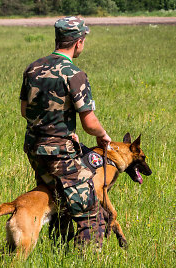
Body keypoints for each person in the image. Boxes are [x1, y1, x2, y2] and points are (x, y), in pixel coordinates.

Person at [19, 16, 112, 247]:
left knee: (58, 202)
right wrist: (102, 135)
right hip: (60, 154)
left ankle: (57, 250)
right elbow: (89, 123)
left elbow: (25, 111)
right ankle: (88, 258)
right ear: (79, 42)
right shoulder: (74, 74)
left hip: (34, 151)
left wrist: (64, 128)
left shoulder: (33, 68)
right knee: (92, 215)